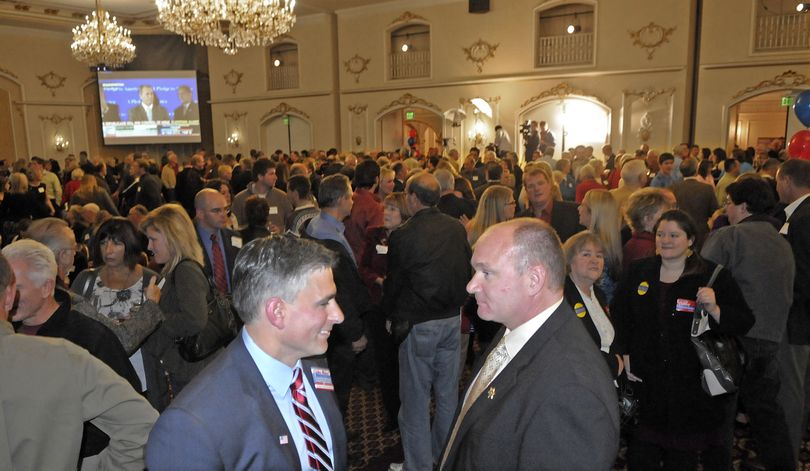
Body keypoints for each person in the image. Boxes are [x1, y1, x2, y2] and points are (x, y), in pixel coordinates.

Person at [146, 236, 348, 470]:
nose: (339, 315)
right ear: (277, 312)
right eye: (325, 303)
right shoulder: (190, 427)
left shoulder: (312, 359)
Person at [439, 218, 619, 470]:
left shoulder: (572, 391)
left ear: (534, 279)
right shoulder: (513, 327)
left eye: (487, 273)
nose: (471, 285)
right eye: (475, 271)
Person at [612, 210, 754, 470]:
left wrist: (715, 309)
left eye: (674, 235)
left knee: (682, 457)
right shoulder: (638, 271)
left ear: (690, 240)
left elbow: (744, 321)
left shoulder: (712, 275)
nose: (665, 240)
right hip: (646, 382)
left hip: (691, 386)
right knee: (641, 454)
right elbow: (620, 316)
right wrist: (624, 353)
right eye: (660, 234)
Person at [0, 252, 158, 470]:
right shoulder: (64, 357)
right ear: (8, 296)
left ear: (46, 287)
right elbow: (141, 424)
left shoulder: (87, 338)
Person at [700, 177, 795, 470]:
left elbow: (700, 277)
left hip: (730, 336)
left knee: (721, 414)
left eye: (728, 203)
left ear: (742, 206)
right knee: (767, 414)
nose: (726, 209)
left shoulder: (730, 237)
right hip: (770, 339)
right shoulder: (782, 243)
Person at [384, 172, 471, 471]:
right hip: (452, 320)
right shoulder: (456, 229)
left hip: (418, 323)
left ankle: (418, 466)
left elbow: (394, 285)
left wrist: (389, 316)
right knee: (447, 395)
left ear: (412, 197)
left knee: (415, 402)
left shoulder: (403, 235)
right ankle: (442, 458)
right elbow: (466, 270)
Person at [71, 217, 163, 392]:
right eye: (104, 243)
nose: (109, 250)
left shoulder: (150, 280)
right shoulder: (86, 279)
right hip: (95, 374)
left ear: (129, 245)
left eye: (117, 243)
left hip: (141, 375)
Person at [304, 174, 369, 415]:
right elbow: (339, 293)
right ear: (341, 199)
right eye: (350, 196)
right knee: (337, 389)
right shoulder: (327, 239)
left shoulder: (317, 227)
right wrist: (354, 333)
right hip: (338, 331)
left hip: (328, 326)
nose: (353, 200)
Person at [139, 204, 213, 411]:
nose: (149, 246)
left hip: (190, 375)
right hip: (184, 373)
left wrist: (154, 313)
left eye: (153, 239)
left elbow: (194, 320)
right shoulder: (172, 270)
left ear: (173, 238)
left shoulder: (185, 271)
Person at [359, 192, 411, 432]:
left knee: (405, 366)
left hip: (402, 310)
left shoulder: (410, 238)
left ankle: (408, 412)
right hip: (378, 308)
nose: (386, 213)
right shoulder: (374, 235)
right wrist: (378, 280)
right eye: (386, 208)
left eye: (393, 209)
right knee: (385, 364)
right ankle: (392, 414)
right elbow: (363, 267)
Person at [774, 159, 810, 464]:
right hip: (802, 313)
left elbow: (802, 273)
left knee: (791, 389)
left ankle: (786, 455)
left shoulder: (802, 217)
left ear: (786, 181)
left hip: (798, 315)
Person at [562, 231, 622, 377]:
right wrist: (612, 364)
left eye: (599, 256)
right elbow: (571, 348)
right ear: (570, 260)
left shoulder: (599, 294)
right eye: (586, 254)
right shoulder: (562, 297)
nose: (595, 260)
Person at [517, 164, 583, 242]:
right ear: (526, 191)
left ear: (550, 185)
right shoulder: (520, 221)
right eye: (531, 186)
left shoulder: (574, 212)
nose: (536, 188)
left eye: (540, 183)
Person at [578, 189, 623, 303]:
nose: (578, 208)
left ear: (593, 213)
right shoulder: (610, 243)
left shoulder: (591, 246)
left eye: (582, 205)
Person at [194, 188, 241, 295]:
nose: (223, 214)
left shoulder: (235, 237)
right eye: (216, 210)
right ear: (200, 213)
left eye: (226, 209)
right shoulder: (188, 241)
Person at [232, 157, 292, 231]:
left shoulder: (282, 197)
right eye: (271, 174)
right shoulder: (240, 199)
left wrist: (280, 229)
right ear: (260, 176)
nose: (276, 177)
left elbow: (291, 223)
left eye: (275, 174)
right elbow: (235, 227)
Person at [622, 187, 675, 271]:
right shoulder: (649, 249)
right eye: (663, 215)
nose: (667, 219)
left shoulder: (635, 242)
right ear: (647, 218)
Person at [671, 158, 718, 248]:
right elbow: (714, 211)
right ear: (696, 170)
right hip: (701, 232)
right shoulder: (707, 188)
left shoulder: (673, 188)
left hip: (679, 230)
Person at [345, 159, 383, 261]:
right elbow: (377, 245)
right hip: (364, 264)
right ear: (377, 179)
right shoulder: (375, 208)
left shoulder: (346, 199)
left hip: (346, 260)